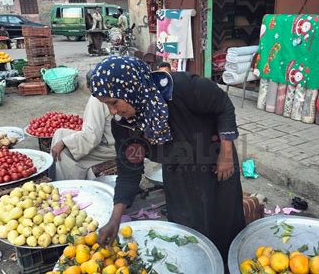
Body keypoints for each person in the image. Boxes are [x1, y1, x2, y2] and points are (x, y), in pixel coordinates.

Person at [91, 56, 245, 261]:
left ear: (130, 88)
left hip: (215, 159)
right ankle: (200, 269)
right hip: (177, 172)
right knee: (187, 226)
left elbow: (223, 105)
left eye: (114, 102)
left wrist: (226, 154)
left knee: (223, 220)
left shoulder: (180, 88)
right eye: (106, 105)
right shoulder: (124, 125)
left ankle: (229, 271)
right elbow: (129, 170)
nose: (113, 111)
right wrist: (115, 218)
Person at [50, 71, 115, 180]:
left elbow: (91, 137)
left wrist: (64, 142)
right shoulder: (110, 92)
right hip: (110, 141)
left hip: (110, 149)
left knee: (63, 153)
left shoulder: (97, 98)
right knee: (60, 132)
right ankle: (55, 175)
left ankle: (69, 186)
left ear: (88, 86)